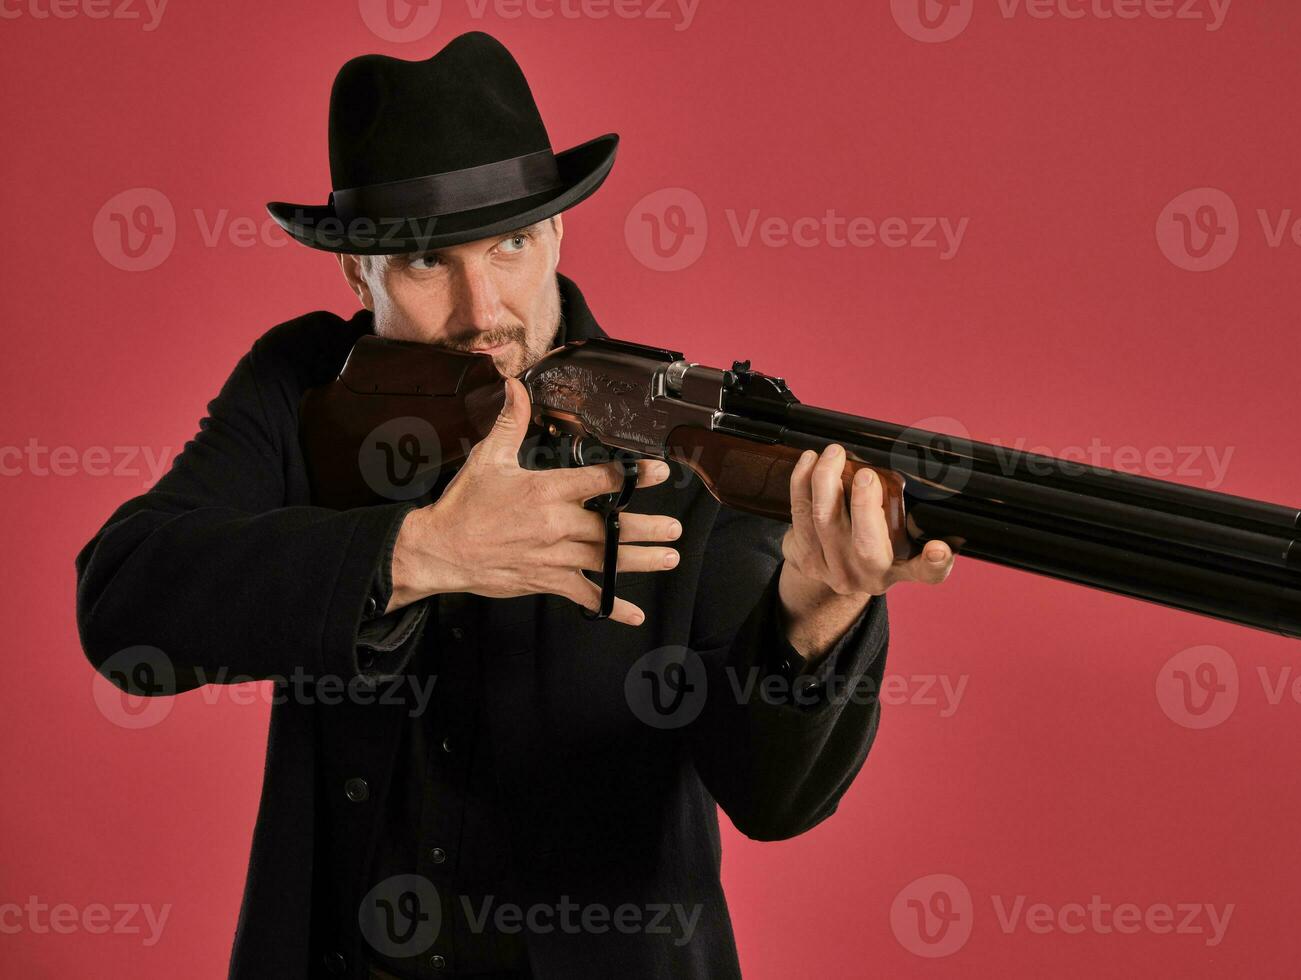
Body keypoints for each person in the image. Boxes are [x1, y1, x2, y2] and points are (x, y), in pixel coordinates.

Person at [75, 31, 955, 980]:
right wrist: (416, 553)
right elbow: (125, 604)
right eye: (424, 265)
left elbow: (775, 798)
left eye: (512, 246)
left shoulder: (686, 439)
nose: (480, 308)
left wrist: (821, 608)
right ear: (355, 274)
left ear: (560, 233)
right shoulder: (300, 387)